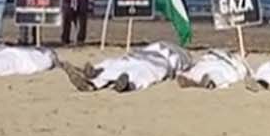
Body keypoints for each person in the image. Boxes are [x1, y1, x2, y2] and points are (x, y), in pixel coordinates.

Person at [61, 42, 191, 92]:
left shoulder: (180, 55)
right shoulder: (179, 53)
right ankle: (93, 77)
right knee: (124, 64)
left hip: (157, 61)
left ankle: (96, 81)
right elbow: (180, 69)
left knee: (137, 69)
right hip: (147, 56)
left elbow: (178, 68)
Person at [176, 49, 250, 89]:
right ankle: (201, 83)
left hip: (209, 63)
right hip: (224, 68)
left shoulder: (236, 71)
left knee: (198, 71)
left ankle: (195, 81)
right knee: (216, 76)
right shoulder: (236, 73)